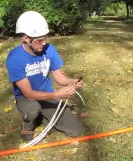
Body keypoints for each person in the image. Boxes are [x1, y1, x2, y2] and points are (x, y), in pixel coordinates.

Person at [5, 11, 84, 141]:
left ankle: (44, 116)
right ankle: (28, 126)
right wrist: (58, 95)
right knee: (32, 109)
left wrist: (73, 82)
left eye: (45, 38)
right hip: (26, 97)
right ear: (25, 38)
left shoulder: (49, 49)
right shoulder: (14, 58)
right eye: (39, 40)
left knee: (75, 130)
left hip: (48, 95)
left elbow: (60, 78)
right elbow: (29, 93)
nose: (44, 43)